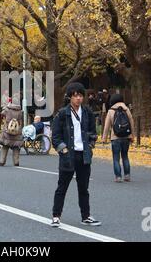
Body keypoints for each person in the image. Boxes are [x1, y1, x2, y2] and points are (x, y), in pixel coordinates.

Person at [51, 82, 101, 227]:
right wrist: (64, 150)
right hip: (68, 154)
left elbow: (93, 132)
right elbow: (56, 136)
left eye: (80, 95)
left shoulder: (87, 112)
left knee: (84, 188)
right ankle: (56, 215)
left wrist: (91, 145)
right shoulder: (62, 114)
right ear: (70, 97)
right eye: (75, 96)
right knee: (62, 186)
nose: (79, 98)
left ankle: (86, 216)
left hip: (84, 154)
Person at [102, 94, 135, 182]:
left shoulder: (110, 111)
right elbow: (131, 123)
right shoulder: (126, 109)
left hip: (115, 137)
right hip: (126, 136)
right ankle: (127, 175)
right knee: (125, 156)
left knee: (116, 158)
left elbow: (107, 126)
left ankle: (118, 176)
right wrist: (132, 135)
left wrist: (104, 138)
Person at [0, 101, 23, 166]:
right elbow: (20, 121)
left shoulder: (7, 110)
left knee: (5, 146)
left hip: (8, 130)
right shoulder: (20, 111)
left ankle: (2, 161)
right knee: (16, 147)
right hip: (16, 131)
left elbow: (2, 113)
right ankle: (16, 162)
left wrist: (6, 106)